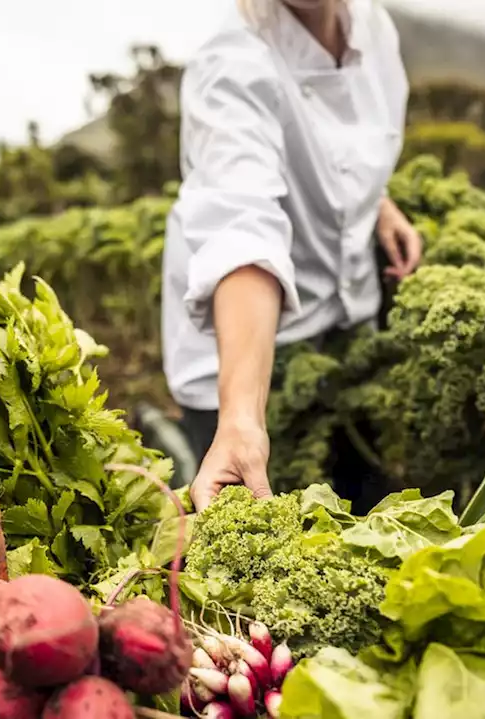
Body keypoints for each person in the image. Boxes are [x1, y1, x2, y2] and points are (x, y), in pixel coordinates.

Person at [161, 0, 422, 512]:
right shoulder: (231, 62)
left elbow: (345, 145)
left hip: (342, 316)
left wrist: (379, 205)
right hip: (241, 346)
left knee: (363, 493)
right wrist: (240, 418)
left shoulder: (371, 27)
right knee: (262, 534)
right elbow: (243, 228)